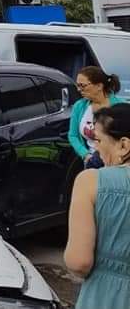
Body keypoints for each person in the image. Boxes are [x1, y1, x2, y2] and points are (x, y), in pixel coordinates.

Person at [64, 103, 130, 309]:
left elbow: (79, 262)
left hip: (105, 297)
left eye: (99, 140)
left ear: (124, 145)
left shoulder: (90, 181)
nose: (96, 149)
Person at [68, 66, 124, 169]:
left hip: (117, 164)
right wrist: (86, 155)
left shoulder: (120, 107)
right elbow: (73, 135)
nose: (78, 89)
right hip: (92, 162)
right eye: (77, 85)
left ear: (99, 86)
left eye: (82, 85)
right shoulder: (79, 106)